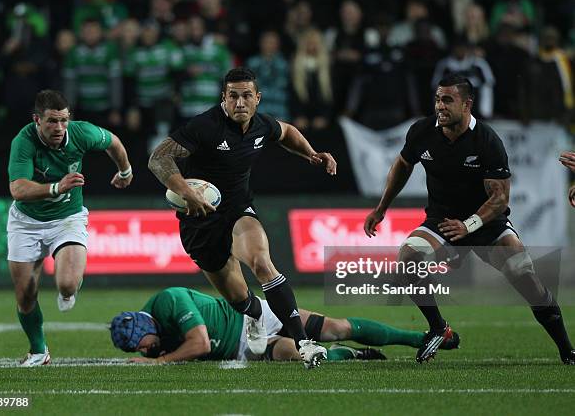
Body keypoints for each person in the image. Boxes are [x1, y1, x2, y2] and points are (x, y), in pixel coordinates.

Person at [363, 74, 575, 365]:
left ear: (467, 104)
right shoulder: (422, 131)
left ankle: (567, 351)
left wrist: (470, 225)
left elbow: (500, 199)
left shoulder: (487, 141)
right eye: (438, 99)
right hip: (443, 221)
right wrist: (381, 207)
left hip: (488, 224)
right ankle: (439, 328)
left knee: (527, 280)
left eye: (448, 100)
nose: (440, 106)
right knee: (407, 259)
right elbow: (403, 164)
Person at [148, 67, 337, 369]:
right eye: (233, 96)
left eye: (246, 96)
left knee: (262, 263)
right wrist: (186, 192)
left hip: (238, 211)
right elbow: (158, 158)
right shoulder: (205, 126)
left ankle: (304, 343)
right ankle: (254, 315)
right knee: (239, 299)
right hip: (200, 221)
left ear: (257, 98)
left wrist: (312, 154)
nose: (239, 103)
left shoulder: (262, 125)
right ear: (223, 98)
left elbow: (286, 132)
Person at [7, 90, 133, 367]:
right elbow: (17, 188)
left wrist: (125, 171)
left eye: (64, 120)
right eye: (52, 121)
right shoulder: (24, 141)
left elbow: (114, 142)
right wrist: (56, 187)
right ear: (37, 120)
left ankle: (70, 287)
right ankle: (39, 351)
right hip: (25, 223)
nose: (59, 128)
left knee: (66, 284)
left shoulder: (82, 133)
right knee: (25, 294)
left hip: (67, 218)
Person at [109, 287, 460, 363]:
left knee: (336, 327)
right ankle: (357, 357)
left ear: (143, 329)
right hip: (243, 347)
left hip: (257, 317)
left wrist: (155, 362)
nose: (143, 350)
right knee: (300, 356)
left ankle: (422, 337)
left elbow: (199, 344)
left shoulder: (169, 299)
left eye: (139, 345)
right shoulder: (148, 330)